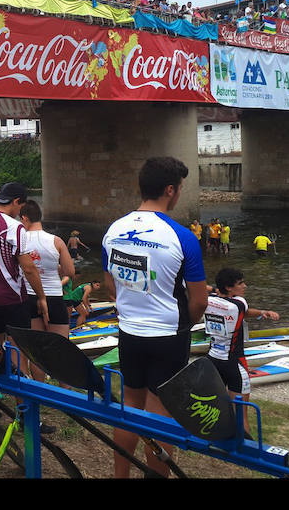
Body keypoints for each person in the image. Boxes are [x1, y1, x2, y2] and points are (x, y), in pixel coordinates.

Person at [102, 156, 207, 478]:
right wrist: (180, 325)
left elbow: (111, 285)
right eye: (180, 190)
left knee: (130, 405)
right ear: (170, 190)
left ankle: (120, 475)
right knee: (160, 412)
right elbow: (200, 300)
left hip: (129, 332)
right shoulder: (182, 236)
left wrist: (133, 308)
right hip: (168, 335)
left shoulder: (114, 229)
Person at [0, 183, 49, 403]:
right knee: (17, 354)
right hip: (13, 299)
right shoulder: (15, 228)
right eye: (20, 206)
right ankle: (23, 412)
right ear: (15, 202)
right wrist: (41, 297)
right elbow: (29, 268)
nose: (20, 211)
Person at [205, 268, 279, 434]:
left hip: (212, 360)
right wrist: (262, 312)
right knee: (241, 413)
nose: (245, 286)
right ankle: (245, 448)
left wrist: (262, 313)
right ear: (229, 288)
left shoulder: (209, 299)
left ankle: (218, 436)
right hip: (234, 363)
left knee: (216, 407)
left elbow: (209, 290)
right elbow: (243, 311)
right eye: (240, 283)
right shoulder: (239, 303)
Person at [19, 199, 75, 340]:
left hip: (28, 296)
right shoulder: (56, 241)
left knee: (36, 350)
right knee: (60, 347)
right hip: (53, 297)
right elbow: (70, 272)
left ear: (24, 218)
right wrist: (54, 268)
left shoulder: (19, 239)